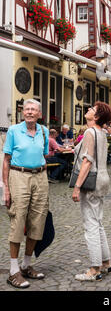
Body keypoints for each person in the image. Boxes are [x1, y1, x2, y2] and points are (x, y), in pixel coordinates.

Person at [3, 99, 49, 289]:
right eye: (27, 109)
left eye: (33, 110)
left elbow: (44, 155)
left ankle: (25, 265)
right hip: (18, 175)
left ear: (39, 114)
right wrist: (5, 187)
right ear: (23, 112)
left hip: (40, 176)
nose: (29, 112)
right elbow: (6, 160)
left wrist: (41, 175)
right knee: (18, 219)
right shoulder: (14, 130)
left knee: (37, 221)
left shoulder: (44, 132)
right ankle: (13, 272)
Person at [71, 101, 111, 281]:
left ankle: (94, 269)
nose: (88, 109)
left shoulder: (90, 132)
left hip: (92, 181)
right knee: (98, 222)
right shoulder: (102, 133)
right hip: (103, 179)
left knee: (91, 226)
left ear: (96, 117)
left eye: (92, 109)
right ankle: (106, 262)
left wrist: (77, 186)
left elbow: (87, 162)